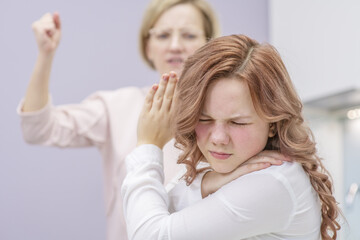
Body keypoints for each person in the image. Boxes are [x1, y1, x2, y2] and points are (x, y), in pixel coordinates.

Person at [17, 1, 220, 239]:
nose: (175, 46)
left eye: (189, 35)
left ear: (210, 45)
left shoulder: (225, 115)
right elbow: (38, 129)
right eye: (163, 35)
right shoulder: (117, 106)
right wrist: (45, 55)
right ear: (148, 47)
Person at [122, 34, 342, 240]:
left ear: (273, 124)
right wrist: (208, 183)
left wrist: (147, 144)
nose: (218, 138)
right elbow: (167, 207)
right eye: (204, 119)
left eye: (237, 122)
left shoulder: (272, 181)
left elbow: (149, 233)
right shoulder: (232, 169)